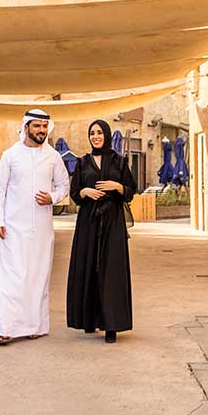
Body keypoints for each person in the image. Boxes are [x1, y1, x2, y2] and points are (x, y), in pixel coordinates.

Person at [0, 109, 70, 346]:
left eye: (45, 126)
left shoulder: (53, 157)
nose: (41, 130)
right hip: (13, 228)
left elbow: (64, 185)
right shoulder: (10, 155)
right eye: (37, 126)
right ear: (26, 127)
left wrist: (52, 197)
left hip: (42, 229)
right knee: (11, 277)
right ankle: (6, 327)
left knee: (38, 276)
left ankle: (35, 326)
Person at [66, 119, 137, 343]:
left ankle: (111, 326)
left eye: (99, 132)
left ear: (106, 134)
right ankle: (89, 320)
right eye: (92, 133)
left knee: (110, 271)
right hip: (88, 222)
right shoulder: (82, 162)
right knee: (88, 268)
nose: (95, 136)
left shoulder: (118, 161)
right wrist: (86, 191)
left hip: (112, 222)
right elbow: (75, 193)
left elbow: (131, 190)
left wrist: (117, 187)